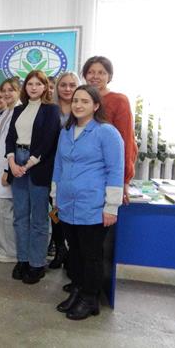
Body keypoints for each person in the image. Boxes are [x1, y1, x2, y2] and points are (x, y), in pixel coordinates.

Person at [52, 85, 124, 320]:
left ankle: (90, 299)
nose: (78, 105)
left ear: (95, 106)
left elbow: (115, 170)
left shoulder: (106, 132)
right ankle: (78, 289)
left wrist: (111, 207)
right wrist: (55, 196)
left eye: (84, 101)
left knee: (91, 255)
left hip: (93, 205)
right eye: (75, 100)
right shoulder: (66, 131)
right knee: (75, 252)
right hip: (67, 204)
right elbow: (58, 165)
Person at [6, 70, 61, 284]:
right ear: (25, 87)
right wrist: (12, 163)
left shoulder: (51, 110)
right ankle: (23, 260)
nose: (34, 87)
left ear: (45, 87)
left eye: (39, 84)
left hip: (38, 164)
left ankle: (37, 264)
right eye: (30, 84)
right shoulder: (18, 109)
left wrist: (27, 164)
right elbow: (10, 138)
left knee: (38, 219)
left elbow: (48, 141)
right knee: (20, 217)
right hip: (17, 161)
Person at [82, 56, 137, 204]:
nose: (95, 76)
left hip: (108, 172)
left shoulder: (119, 101)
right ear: (85, 75)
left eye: (101, 72)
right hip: (82, 172)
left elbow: (127, 140)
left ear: (109, 76)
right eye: (91, 72)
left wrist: (124, 180)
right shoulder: (80, 99)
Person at [47, 72, 80, 269]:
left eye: (72, 85)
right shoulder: (50, 109)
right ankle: (60, 247)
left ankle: (72, 250)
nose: (67, 89)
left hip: (74, 169)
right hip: (51, 167)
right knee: (54, 210)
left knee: (71, 209)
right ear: (57, 87)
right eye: (63, 85)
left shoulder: (81, 109)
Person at [0, 78, 21, 263]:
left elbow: (17, 146)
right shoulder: (6, 113)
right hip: (1, 169)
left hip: (8, 170)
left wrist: (7, 171)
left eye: (11, 90)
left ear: (19, 91)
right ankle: (4, 248)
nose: (7, 93)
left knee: (4, 213)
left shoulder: (19, 112)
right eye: (4, 90)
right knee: (1, 212)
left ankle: (9, 251)